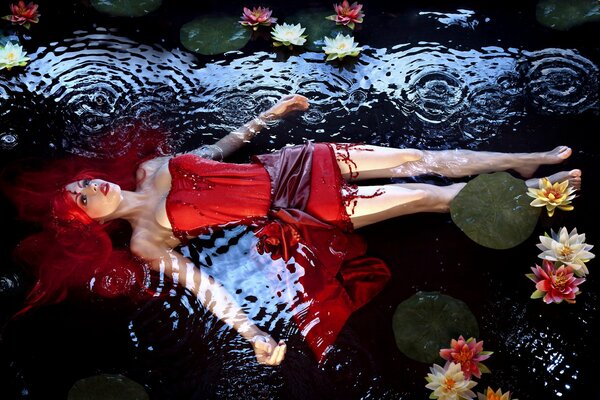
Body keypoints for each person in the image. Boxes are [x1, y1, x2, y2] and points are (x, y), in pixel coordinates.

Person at [2, 94, 582, 367]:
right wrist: (255, 336)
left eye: (81, 183)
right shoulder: (146, 242)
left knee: (415, 153)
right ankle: (533, 195)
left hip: (293, 164)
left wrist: (271, 116)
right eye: (80, 200)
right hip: (297, 212)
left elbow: (220, 149)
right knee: (426, 195)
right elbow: (207, 290)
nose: (87, 188)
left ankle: (527, 159)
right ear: (89, 224)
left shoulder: (150, 168)